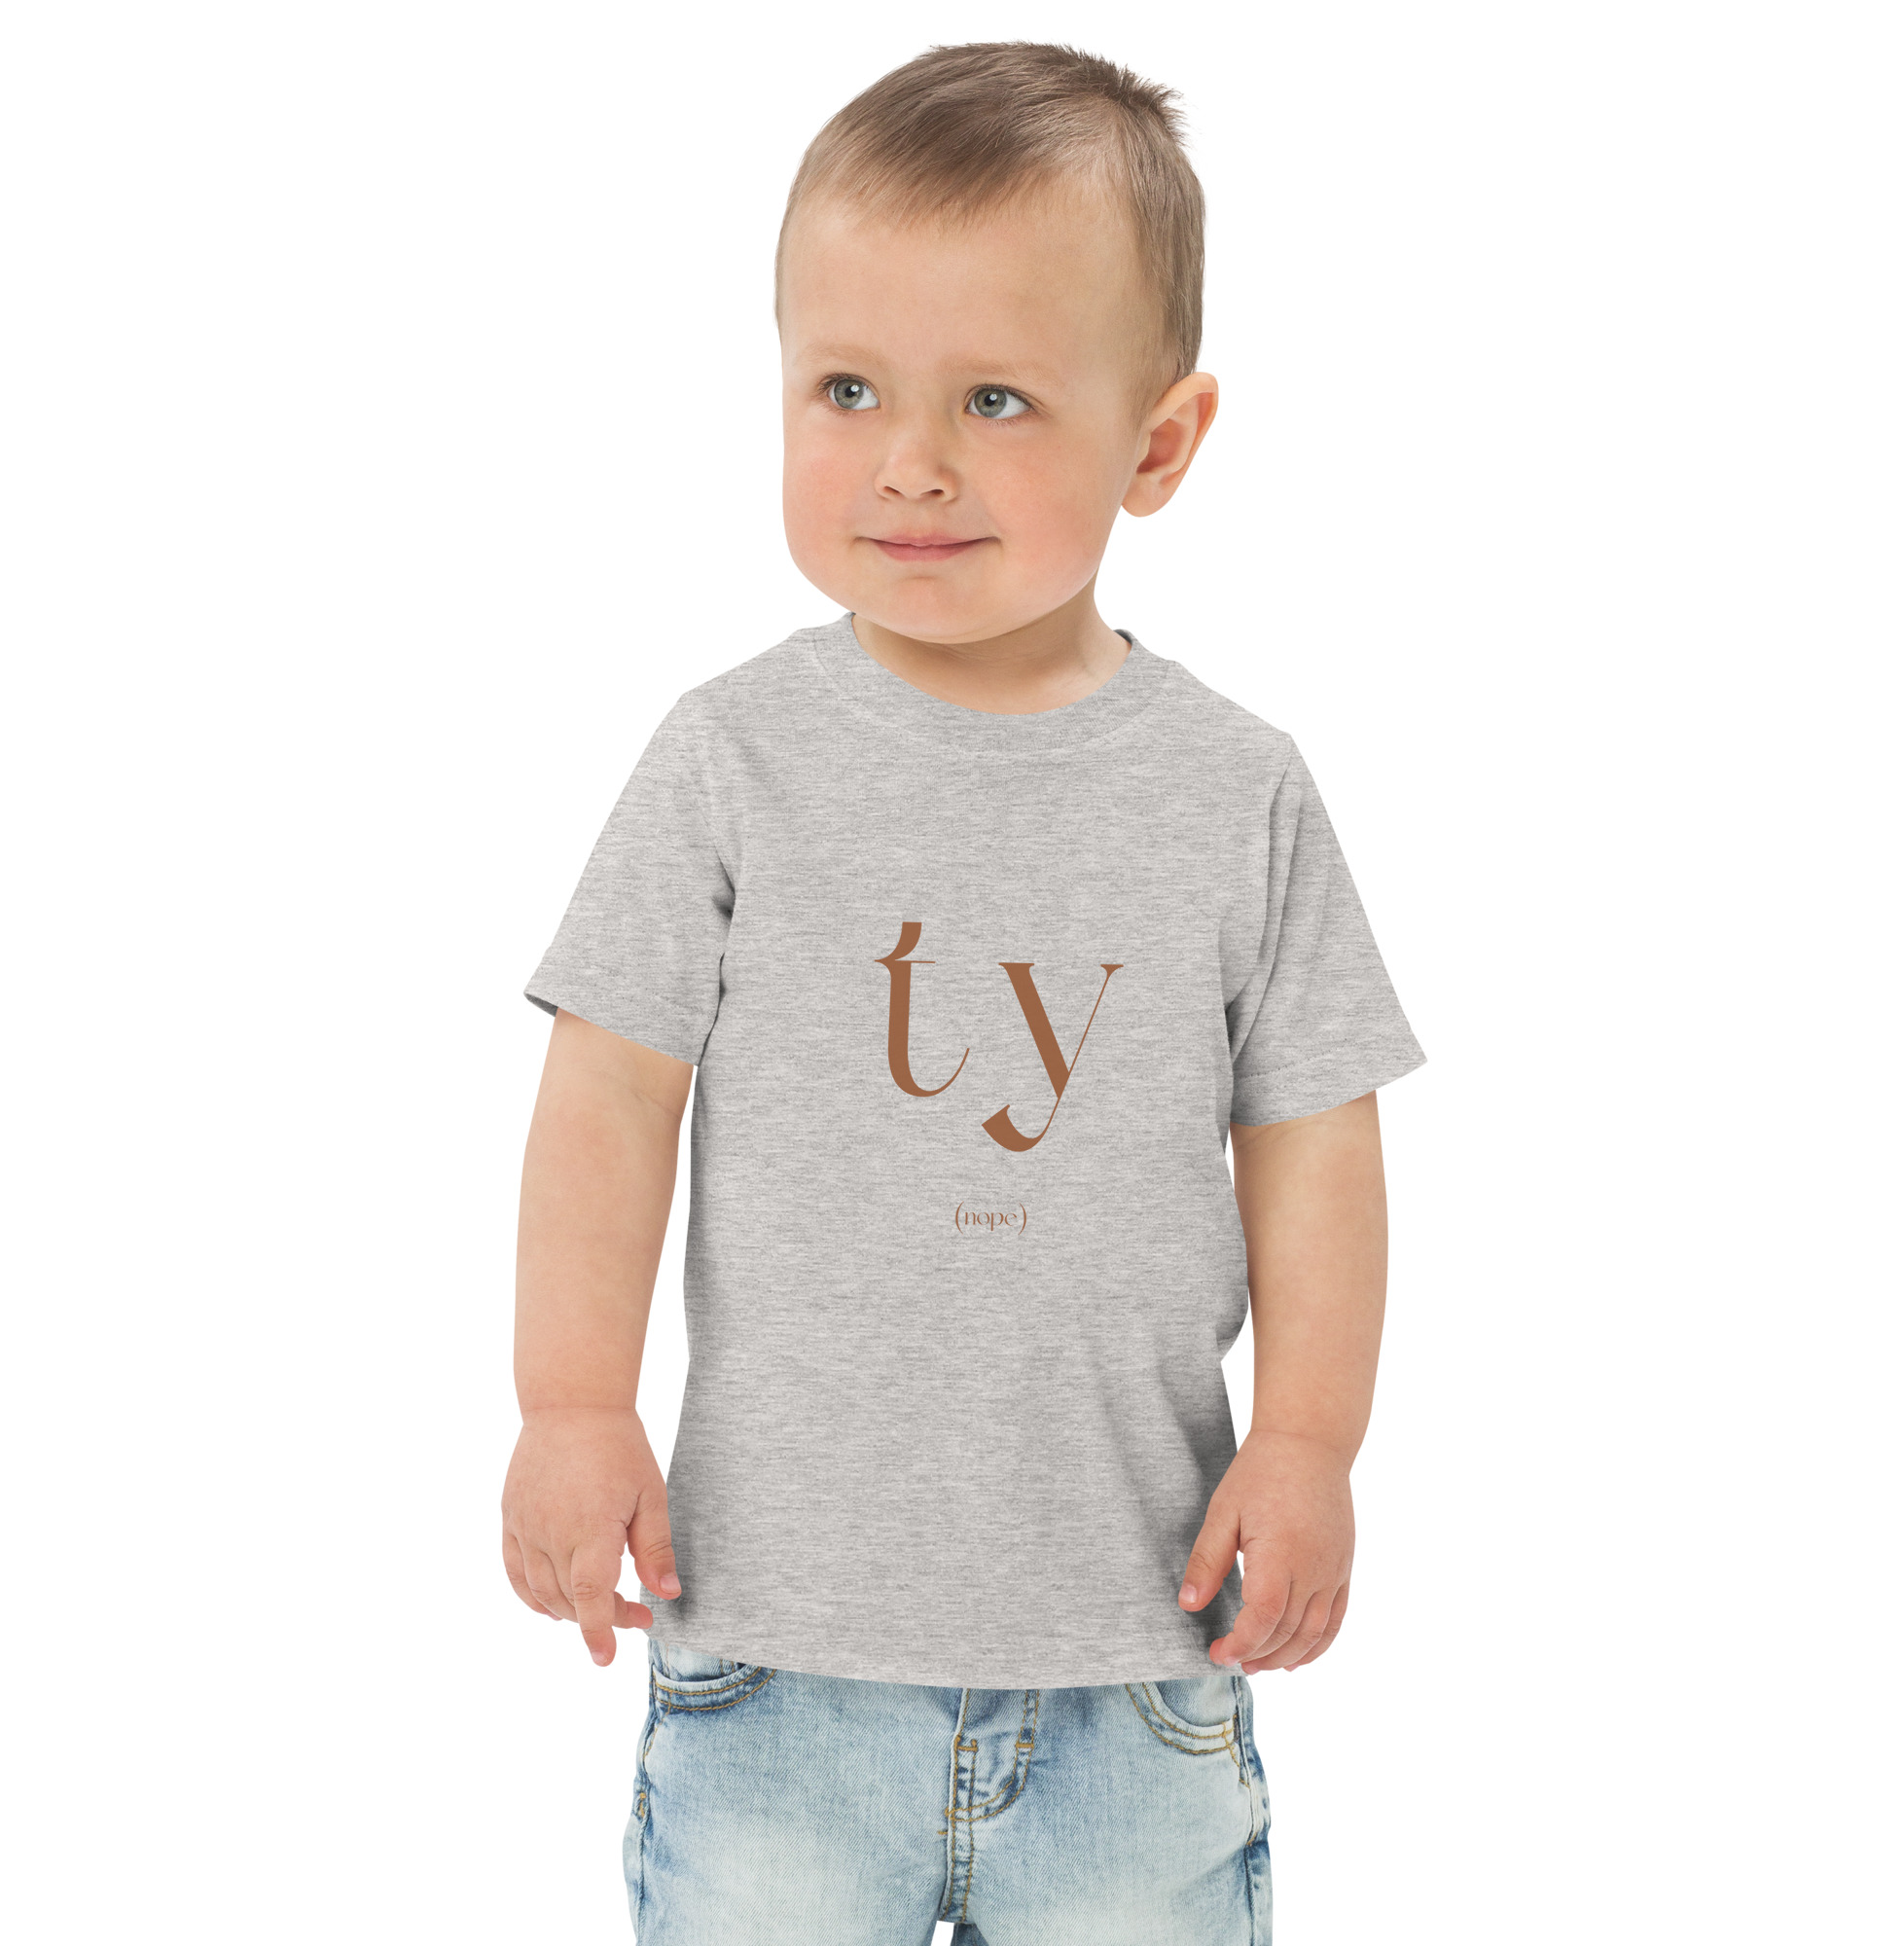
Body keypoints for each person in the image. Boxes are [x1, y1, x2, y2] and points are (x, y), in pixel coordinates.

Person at [501, 40, 1424, 1945]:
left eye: (994, 399)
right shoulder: (730, 761)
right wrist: (572, 1403)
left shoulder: (1236, 790)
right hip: (776, 1662)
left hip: (1137, 1659)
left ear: (1157, 445)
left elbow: (1314, 1136)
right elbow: (610, 1093)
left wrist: (1310, 1441)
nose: (907, 461)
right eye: (845, 389)